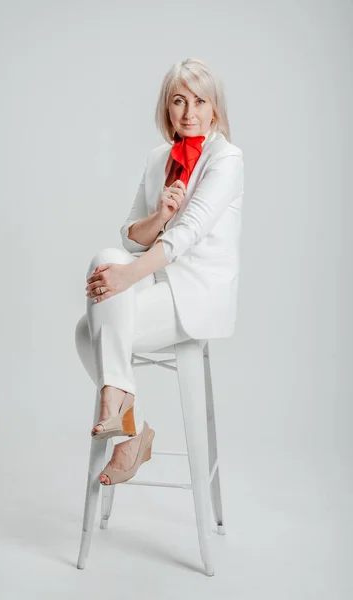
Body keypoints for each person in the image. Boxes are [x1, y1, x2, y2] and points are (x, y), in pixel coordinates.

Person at [75, 57, 244, 486]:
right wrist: (159, 214)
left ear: (215, 109)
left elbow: (185, 237)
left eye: (199, 101)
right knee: (106, 258)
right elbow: (132, 235)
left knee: (88, 330)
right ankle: (137, 425)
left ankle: (126, 424)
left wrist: (125, 277)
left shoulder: (227, 159)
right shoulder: (158, 159)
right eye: (178, 101)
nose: (189, 112)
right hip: (154, 283)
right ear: (166, 108)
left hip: (196, 293)